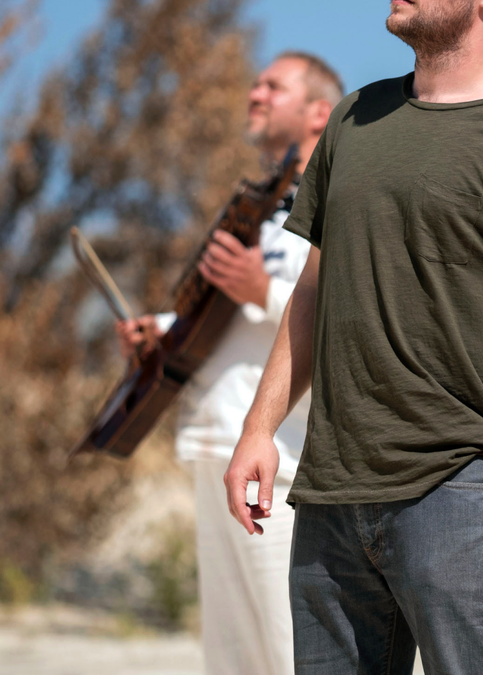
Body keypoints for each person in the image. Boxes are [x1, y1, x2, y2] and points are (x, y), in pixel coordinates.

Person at [223, 1, 483, 673]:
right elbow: (315, 286)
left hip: (461, 492)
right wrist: (260, 427)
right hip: (330, 494)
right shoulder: (352, 116)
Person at [116, 51, 343, 675]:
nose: (255, 93)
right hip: (218, 447)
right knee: (232, 658)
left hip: (287, 464)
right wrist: (160, 332)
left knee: (293, 651)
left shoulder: (342, 199)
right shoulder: (259, 206)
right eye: (255, 82)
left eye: (274, 85)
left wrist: (260, 291)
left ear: (318, 110)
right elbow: (222, 322)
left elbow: (350, 318)